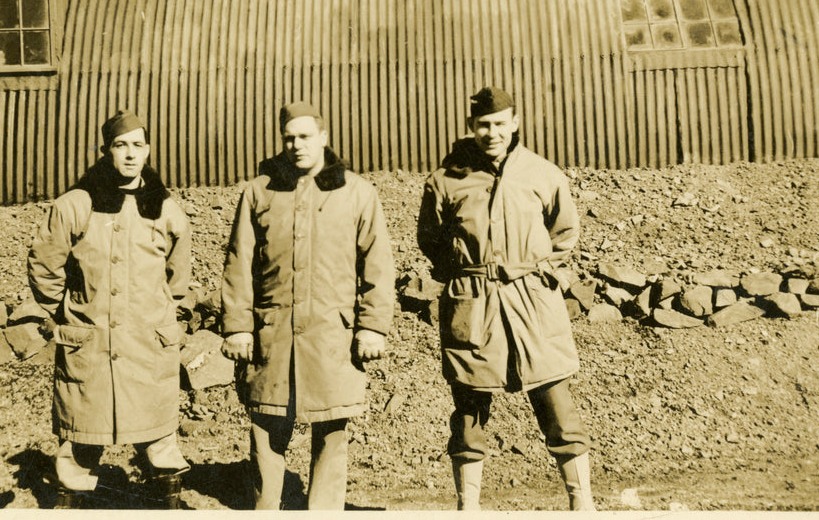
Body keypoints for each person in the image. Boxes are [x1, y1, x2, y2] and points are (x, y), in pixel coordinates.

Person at [417, 86, 596, 511]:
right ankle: (469, 506)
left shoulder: (542, 173)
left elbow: (564, 233)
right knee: (469, 410)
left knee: (557, 404)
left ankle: (582, 503)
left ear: (515, 123)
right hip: (473, 304)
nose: (491, 132)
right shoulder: (445, 181)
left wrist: (540, 274)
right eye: (483, 125)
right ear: (470, 127)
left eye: (500, 123)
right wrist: (465, 276)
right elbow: (432, 240)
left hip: (533, 303)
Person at [220, 102, 394, 510]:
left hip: (332, 333)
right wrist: (238, 326)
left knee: (331, 429)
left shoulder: (357, 192)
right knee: (266, 425)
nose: (296, 146)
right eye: (289, 138)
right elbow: (239, 262)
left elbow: (378, 264)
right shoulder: (258, 192)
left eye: (304, 137)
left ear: (323, 137)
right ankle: (266, 509)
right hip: (272, 332)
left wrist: (372, 326)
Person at [27, 110, 191, 509]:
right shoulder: (76, 204)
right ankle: (74, 496)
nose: (130, 155)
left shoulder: (165, 208)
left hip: (147, 343)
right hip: (91, 344)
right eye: (121, 146)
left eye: (138, 145)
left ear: (148, 151)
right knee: (82, 430)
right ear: (106, 152)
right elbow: (44, 265)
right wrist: (67, 312)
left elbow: (178, 278)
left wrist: (159, 318)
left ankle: (164, 500)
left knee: (160, 436)